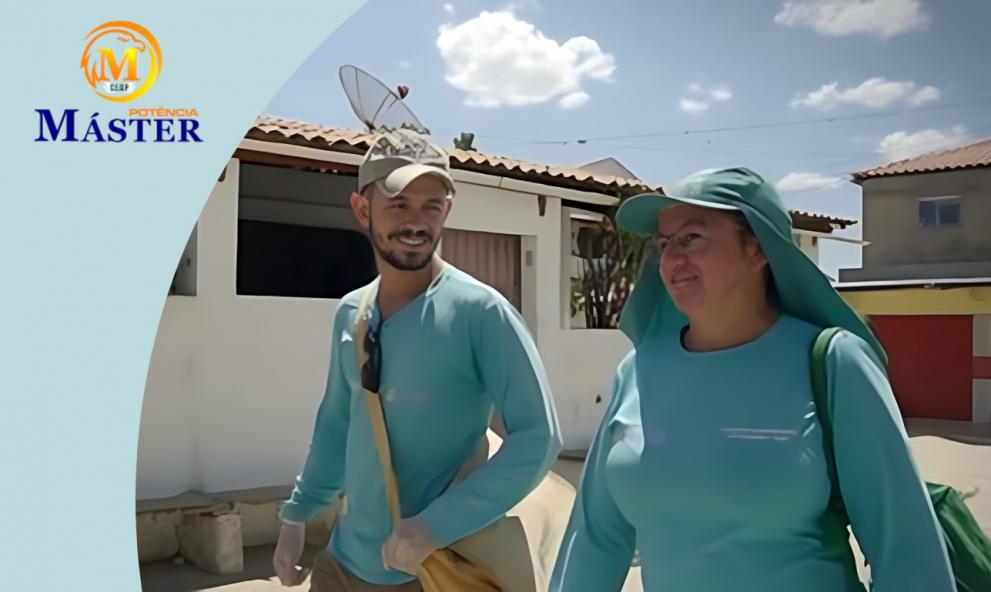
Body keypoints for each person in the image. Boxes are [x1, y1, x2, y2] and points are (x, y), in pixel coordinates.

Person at [550, 167, 955, 591]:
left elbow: (906, 550)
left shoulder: (834, 363)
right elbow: (597, 538)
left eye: (692, 238)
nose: (671, 260)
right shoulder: (636, 371)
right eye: (664, 244)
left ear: (758, 248)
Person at [273, 128, 562, 590]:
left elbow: (539, 437)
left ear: (447, 210)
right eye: (399, 204)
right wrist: (298, 514)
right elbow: (337, 421)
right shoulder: (352, 311)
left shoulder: (480, 312)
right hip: (340, 565)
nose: (417, 222)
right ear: (362, 209)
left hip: (429, 570)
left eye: (432, 205)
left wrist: (436, 525)